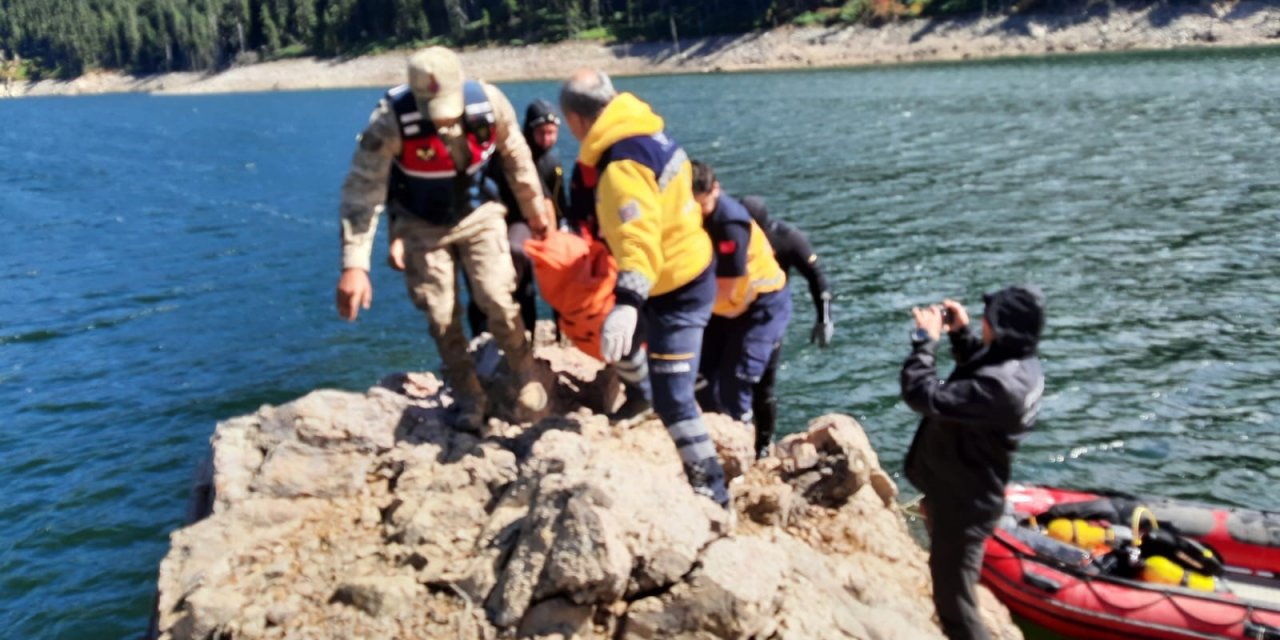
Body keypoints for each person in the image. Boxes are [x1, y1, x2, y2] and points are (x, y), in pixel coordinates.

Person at [335, 46, 552, 431]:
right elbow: (362, 191)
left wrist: (535, 212)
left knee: (497, 296)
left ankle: (524, 371)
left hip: (479, 213)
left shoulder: (488, 103)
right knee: (440, 313)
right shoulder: (390, 121)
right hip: (422, 223)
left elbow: (516, 156)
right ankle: (469, 395)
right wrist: (355, 264)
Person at [559, 67, 729, 507]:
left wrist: (629, 300)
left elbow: (640, 241)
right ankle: (642, 394)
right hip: (679, 266)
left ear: (576, 121)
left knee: (676, 400)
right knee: (615, 343)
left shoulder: (620, 168)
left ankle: (712, 491)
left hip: (676, 286)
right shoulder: (647, 132)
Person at [900, 287, 1046, 640]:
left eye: (989, 318)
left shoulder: (999, 387)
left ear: (1001, 328)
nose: (983, 321)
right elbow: (982, 374)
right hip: (966, 491)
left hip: (963, 506)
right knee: (951, 586)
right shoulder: (1022, 367)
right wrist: (962, 335)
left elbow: (922, 394)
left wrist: (924, 341)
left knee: (955, 610)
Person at [690, 162, 791, 460]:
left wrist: (683, 310)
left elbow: (728, 287)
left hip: (760, 304)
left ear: (715, 190)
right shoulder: (689, 214)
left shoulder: (730, 223)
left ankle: (743, 454)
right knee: (701, 371)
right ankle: (712, 433)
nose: (699, 211)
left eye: (703, 204)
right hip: (726, 306)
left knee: (738, 379)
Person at [467, 99, 569, 337]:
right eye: (542, 133)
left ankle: (555, 332)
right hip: (506, 219)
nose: (547, 139)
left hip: (537, 223)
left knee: (556, 273)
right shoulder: (509, 157)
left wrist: (563, 227)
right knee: (509, 266)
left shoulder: (552, 163)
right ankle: (487, 335)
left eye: (552, 133)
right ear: (529, 129)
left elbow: (558, 201)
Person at [740, 196, 833, 348]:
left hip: (768, 308)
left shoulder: (787, 239)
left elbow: (816, 275)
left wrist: (825, 317)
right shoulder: (724, 237)